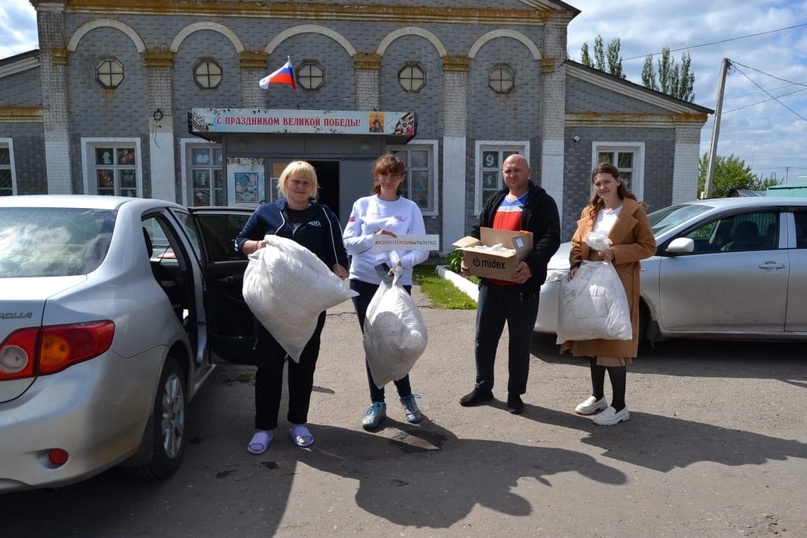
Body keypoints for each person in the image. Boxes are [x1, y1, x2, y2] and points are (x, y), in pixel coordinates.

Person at [236, 160, 349, 454]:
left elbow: (339, 258)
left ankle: (299, 422)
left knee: (303, 364)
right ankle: (264, 428)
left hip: (308, 306)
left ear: (313, 188)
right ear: (284, 183)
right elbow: (239, 242)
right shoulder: (266, 213)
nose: (300, 187)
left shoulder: (324, 215)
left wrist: (339, 277)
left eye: (306, 182)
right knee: (268, 366)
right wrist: (259, 245)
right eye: (295, 181)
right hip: (271, 306)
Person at [459, 154, 561, 414]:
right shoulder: (496, 200)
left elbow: (550, 238)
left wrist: (531, 265)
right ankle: (483, 387)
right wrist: (468, 256)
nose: (512, 175)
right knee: (484, 339)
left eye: (517, 170)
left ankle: (515, 394)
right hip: (491, 285)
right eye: (507, 171)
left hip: (521, 286)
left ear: (529, 171)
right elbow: (478, 231)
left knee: (519, 342)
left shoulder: (541, 202)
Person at [561, 162, 656, 426]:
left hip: (620, 282)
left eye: (606, 181)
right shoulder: (591, 211)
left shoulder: (633, 211)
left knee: (613, 343)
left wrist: (617, 253)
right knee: (593, 338)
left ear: (618, 181)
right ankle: (598, 397)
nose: (602, 187)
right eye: (598, 183)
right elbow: (577, 243)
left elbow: (649, 246)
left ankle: (620, 405)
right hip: (591, 281)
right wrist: (575, 263)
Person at [342, 154, 429, 430]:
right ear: (377, 177)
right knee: (374, 342)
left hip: (396, 282)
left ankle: (406, 398)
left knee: (400, 341)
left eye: (394, 174)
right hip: (364, 281)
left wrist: (400, 263)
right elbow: (348, 243)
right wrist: (374, 237)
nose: (389, 179)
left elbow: (422, 248)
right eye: (384, 174)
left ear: (402, 178)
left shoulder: (410, 208)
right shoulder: (363, 205)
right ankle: (377, 402)